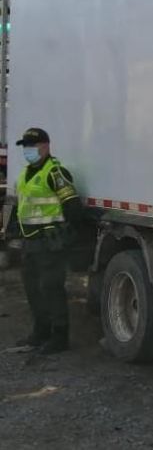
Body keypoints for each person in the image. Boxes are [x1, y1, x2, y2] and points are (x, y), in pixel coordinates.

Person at [4, 127, 85, 354]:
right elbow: (21, 207)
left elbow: (73, 209)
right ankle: (40, 333)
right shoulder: (25, 174)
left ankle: (59, 337)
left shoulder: (55, 172)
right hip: (29, 243)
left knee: (51, 288)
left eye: (33, 146)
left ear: (46, 146)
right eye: (25, 147)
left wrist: (63, 234)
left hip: (50, 244)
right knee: (33, 289)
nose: (28, 150)